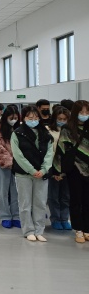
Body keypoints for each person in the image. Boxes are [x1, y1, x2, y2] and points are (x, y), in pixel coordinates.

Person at [11, 106, 53, 242]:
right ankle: (28, 230)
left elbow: (49, 153)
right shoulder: (17, 133)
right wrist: (32, 170)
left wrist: (44, 169)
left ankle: (39, 230)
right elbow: (18, 155)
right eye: (30, 118)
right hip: (24, 174)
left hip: (42, 173)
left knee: (40, 203)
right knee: (25, 203)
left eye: (36, 118)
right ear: (24, 118)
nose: (33, 120)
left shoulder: (46, 134)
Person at [53, 100, 89, 243]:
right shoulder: (68, 129)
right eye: (81, 112)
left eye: (87, 112)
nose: (84, 114)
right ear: (75, 112)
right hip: (74, 169)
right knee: (75, 200)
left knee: (87, 200)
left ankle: (87, 229)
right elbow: (61, 150)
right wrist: (58, 170)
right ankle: (78, 230)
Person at [0, 105, 21, 229]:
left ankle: (16, 215)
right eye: (11, 118)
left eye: (15, 118)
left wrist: (19, 161)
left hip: (19, 165)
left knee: (16, 191)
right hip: (2, 164)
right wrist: (10, 161)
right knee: (3, 191)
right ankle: (5, 216)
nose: (13, 120)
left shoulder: (19, 129)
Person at [46, 106, 71, 230]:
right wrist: (53, 171)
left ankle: (64, 218)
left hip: (67, 167)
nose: (62, 121)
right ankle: (55, 218)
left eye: (64, 119)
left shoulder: (71, 131)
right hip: (52, 166)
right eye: (59, 118)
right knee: (53, 196)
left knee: (66, 196)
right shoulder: (48, 130)